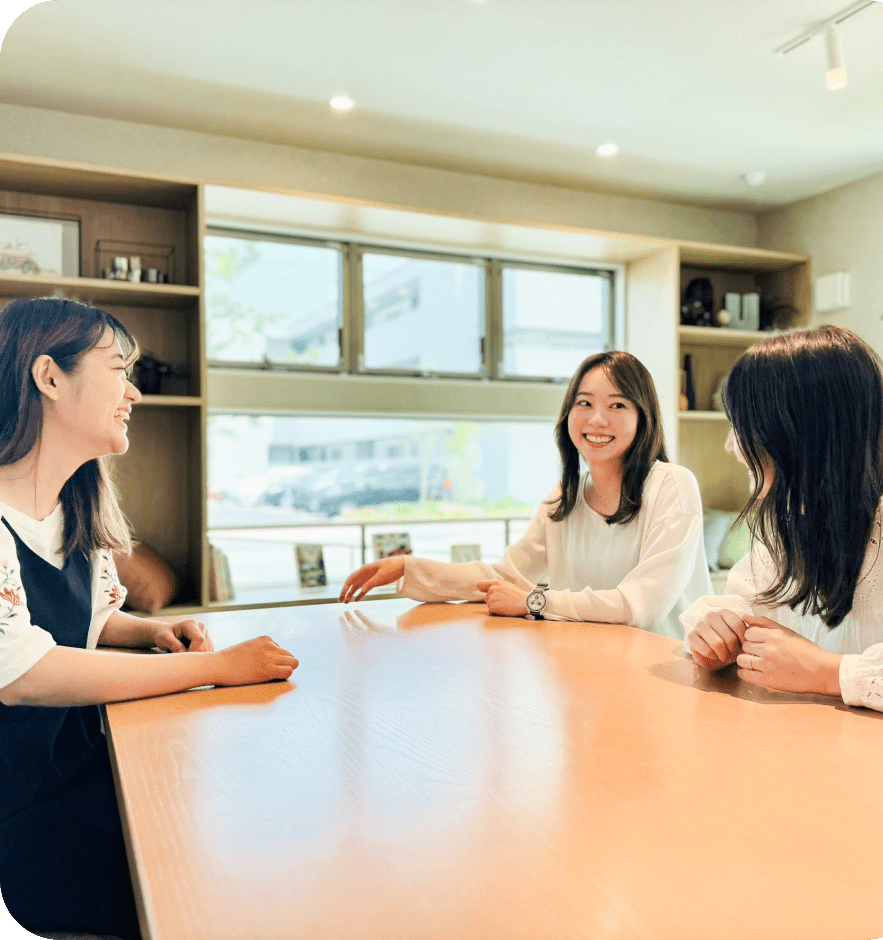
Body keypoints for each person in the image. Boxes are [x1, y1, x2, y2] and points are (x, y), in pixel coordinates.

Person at [0, 297, 299, 940]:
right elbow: (23, 671)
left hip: (80, 773)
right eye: (119, 370)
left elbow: (95, 618)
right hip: (22, 818)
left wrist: (148, 632)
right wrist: (212, 668)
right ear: (49, 377)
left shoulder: (75, 506)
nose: (133, 393)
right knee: (216, 882)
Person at [341, 351, 712, 637]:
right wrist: (409, 567)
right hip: (593, 666)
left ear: (642, 416)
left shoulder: (672, 485)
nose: (597, 419)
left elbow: (641, 605)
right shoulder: (562, 500)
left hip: (667, 675)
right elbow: (505, 576)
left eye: (617, 405)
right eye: (584, 403)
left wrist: (535, 602)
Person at [682, 325, 883, 719]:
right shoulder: (792, 520)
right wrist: (719, 632)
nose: (730, 445)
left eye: (742, 426)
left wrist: (831, 672)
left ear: (799, 430)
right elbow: (744, 601)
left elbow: (813, 668)